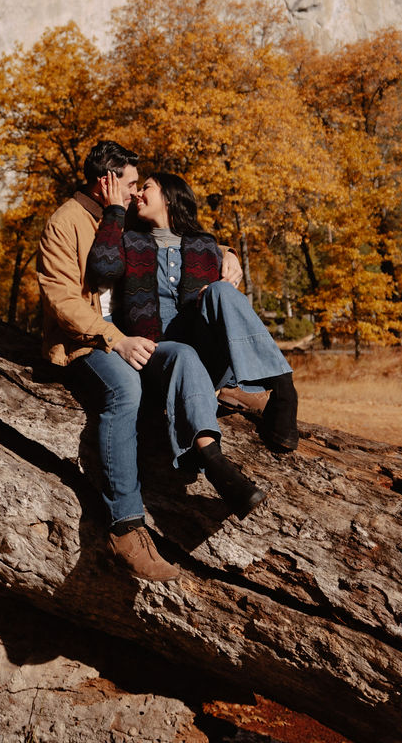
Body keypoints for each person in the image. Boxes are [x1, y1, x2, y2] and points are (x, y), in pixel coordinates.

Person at [87, 170, 299, 521]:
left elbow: (217, 267)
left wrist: (228, 253)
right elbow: (102, 267)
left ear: (169, 197)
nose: (138, 194)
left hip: (207, 355)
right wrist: (114, 211)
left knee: (221, 291)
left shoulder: (203, 245)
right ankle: (216, 465)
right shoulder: (128, 241)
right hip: (159, 355)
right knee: (182, 353)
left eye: (147, 189)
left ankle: (284, 386)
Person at [36, 139, 181, 581]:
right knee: (125, 389)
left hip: (136, 335)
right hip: (87, 344)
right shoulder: (64, 223)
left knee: (183, 359)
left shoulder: (126, 217)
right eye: (131, 183)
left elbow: (181, 233)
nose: (139, 193)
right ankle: (125, 527)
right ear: (107, 182)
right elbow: (62, 300)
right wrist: (115, 340)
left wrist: (227, 255)